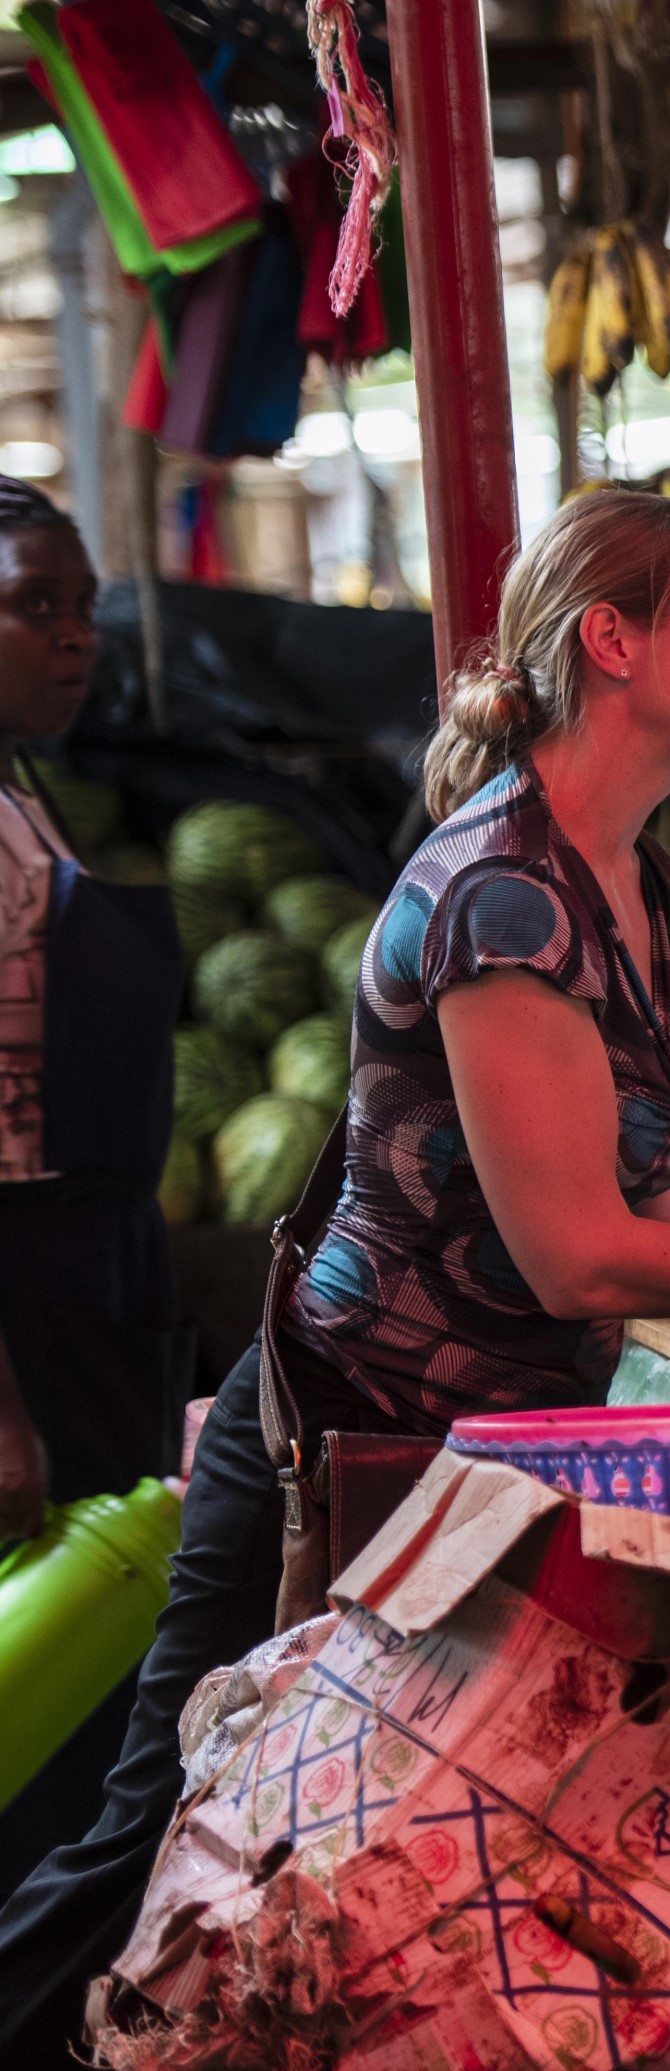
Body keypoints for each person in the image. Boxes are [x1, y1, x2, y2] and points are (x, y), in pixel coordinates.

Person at [0, 492, 670, 2055]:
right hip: (348, 1435)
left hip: (468, 1455)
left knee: (333, 1863)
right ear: (614, 640)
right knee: (152, 1842)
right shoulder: (503, 890)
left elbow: (656, 1178)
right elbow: (582, 1249)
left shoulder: (626, 877)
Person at [0, 479, 184, 1896]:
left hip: (89, 1282)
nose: (74, 640)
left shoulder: (21, 783)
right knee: (49, 1722)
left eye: (81, 610)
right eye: (33, 605)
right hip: (26, 1310)